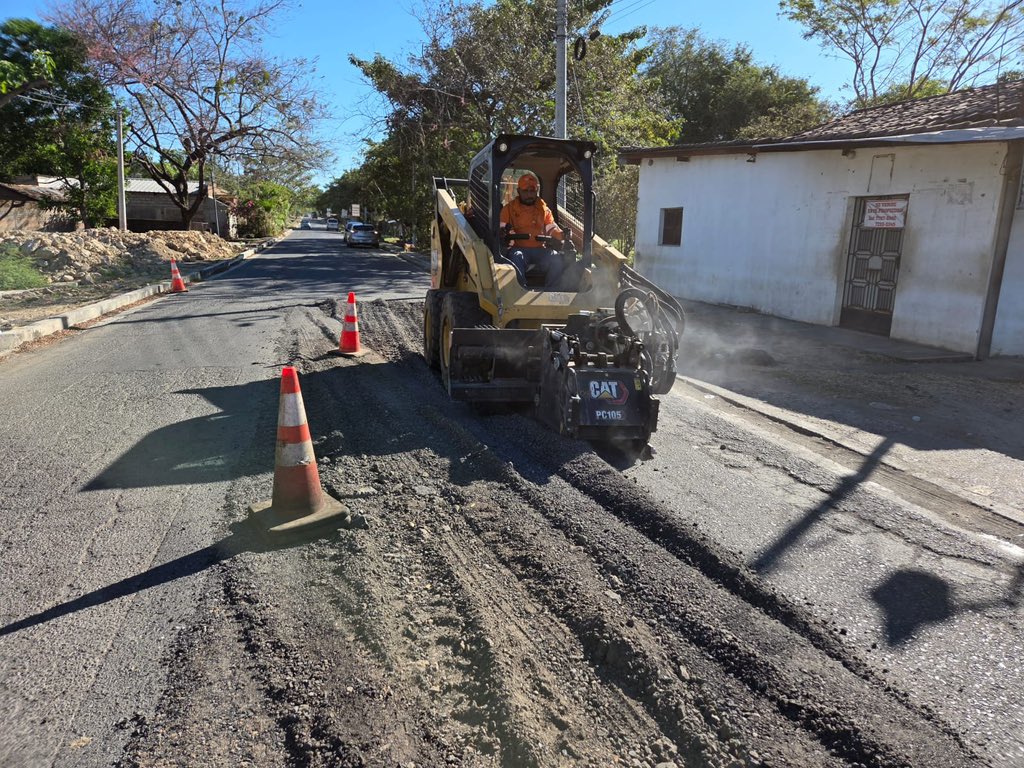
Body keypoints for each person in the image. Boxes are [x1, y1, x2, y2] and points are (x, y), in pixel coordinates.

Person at [499, 173, 566, 288]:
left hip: (540, 250)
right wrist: (504, 232)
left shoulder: (543, 209)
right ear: (519, 191)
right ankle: (521, 290)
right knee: (516, 257)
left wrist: (561, 235)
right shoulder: (508, 209)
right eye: (526, 191)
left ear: (537, 191)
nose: (529, 194)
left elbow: (551, 227)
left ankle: (551, 292)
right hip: (518, 249)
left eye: (532, 191)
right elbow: (501, 229)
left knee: (556, 258)